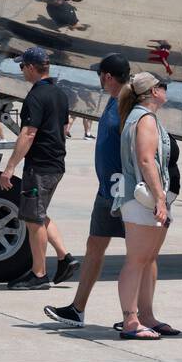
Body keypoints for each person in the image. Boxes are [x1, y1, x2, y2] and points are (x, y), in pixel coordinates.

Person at [44, 53, 173, 334]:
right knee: (100, 247)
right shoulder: (119, 101)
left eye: (99, 75)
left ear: (107, 77)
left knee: (141, 256)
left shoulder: (127, 105)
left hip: (124, 193)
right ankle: (80, 309)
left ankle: (138, 316)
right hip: (110, 190)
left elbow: (143, 152)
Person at [0, 47, 79, 290]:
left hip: (41, 167)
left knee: (33, 220)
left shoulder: (35, 97)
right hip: (56, 163)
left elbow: (28, 133)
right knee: (39, 213)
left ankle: (39, 274)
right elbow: (64, 127)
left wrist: (9, 167)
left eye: (22, 66)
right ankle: (65, 258)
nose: (22, 70)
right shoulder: (59, 93)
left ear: (32, 68)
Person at [113, 72, 176, 340]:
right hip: (142, 199)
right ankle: (130, 320)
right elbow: (147, 160)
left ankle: (146, 316)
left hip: (143, 199)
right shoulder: (145, 119)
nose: (165, 90)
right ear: (152, 92)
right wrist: (160, 198)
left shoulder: (138, 117)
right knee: (136, 260)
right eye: (162, 86)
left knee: (147, 259)